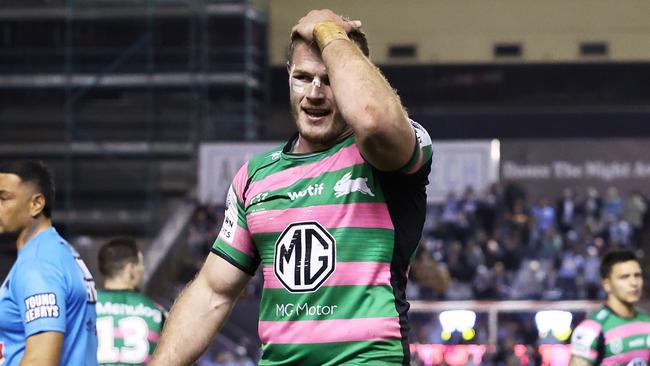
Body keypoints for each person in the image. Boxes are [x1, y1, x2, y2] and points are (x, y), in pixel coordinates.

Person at [151, 8, 432, 366]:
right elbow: (212, 293)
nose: (314, 92)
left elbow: (374, 119)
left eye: (329, 79)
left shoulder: (386, 153)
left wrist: (328, 30)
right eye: (302, 77)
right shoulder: (255, 177)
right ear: (287, 76)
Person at [0, 160, 98, 365]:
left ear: (36, 204)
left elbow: (41, 359)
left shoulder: (38, 264)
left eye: (3, 198)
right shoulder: (61, 252)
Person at [569, 249, 650, 365]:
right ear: (607, 284)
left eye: (637, 275)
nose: (634, 283)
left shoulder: (647, 322)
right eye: (624, 277)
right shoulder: (592, 329)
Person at [96, 236, 167, 365]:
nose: (143, 270)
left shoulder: (82, 308)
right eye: (141, 265)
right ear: (131, 270)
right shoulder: (157, 313)